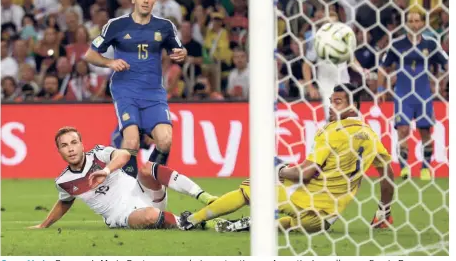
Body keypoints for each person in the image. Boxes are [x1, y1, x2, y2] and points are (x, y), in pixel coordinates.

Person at [180, 84, 395, 233]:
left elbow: (305, 174)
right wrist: (383, 212)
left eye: (338, 102)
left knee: (250, 189)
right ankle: (245, 225)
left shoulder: (330, 132)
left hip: (304, 204)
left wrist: (280, 170)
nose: (331, 106)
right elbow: (388, 174)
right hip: (324, 221)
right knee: (289, 222)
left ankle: (190, 220)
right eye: (330, 101)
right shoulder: (371, 135)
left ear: (354, 106)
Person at [84, 0, 187, 177]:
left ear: (155, 0)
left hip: (153, 92)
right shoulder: (116, 25)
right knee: (131, 141)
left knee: (165, 141)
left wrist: (182, 53)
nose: (146, 0)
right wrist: (109, 63)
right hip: (126, 90)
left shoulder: (165, 26)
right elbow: (90, 54)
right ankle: (129, 190)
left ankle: (150, 181)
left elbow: (179, 50)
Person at [28, 127, 216, 230]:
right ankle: (195, 221)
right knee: (149, 215)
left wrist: (106, 171)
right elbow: (64, 202)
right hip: (121, 214)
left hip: (141, 192)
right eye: (64, 145)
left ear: (82, 144)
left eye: (74, 143)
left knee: (146, 168)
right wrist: (43, 225)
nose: (70, 148)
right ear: (59, 151)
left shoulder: (99, 154)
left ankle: (206, 197)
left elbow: (124, 155)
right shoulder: (64, 181)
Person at [378, 12, 448, 181]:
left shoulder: (431, 44)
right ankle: (404, 169)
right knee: (403, 130)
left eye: (417, 21)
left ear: (423, 23)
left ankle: (425, 168)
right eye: (410, 21)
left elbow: (447, 64)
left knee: (425, 132)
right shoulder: (397, 44)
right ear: (406, 23)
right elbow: (382, 67)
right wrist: (381, 88)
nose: (414, 24)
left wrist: (441, 82)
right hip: (403, 95)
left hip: (423, 95)